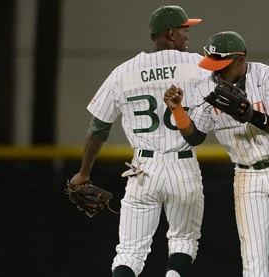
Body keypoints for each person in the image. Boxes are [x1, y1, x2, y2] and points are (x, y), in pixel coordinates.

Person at [69, 5, 210, 277]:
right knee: (183, 241)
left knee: (130, 252)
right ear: (170, 33)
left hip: (143, 168)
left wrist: (83, 173)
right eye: (184, 29)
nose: (187, 34)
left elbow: (98, 127)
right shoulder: (198, 65)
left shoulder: (124, 72)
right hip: (183, 165)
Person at [164, 31, 269, 276]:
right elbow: (195, 137)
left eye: (222, 65)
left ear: (240, 61)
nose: (215, 71)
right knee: (252, 258)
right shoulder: (206, 87)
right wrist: (178, 111)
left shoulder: (268, 77)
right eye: (212, 65)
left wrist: (252, 116)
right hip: (246, 175)